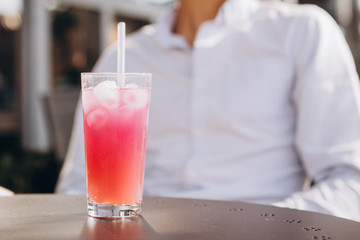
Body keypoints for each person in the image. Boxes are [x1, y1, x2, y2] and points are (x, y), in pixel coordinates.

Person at [56, 0, 360, 221]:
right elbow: (76, 190)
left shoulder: (302, 31)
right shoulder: (122, 59)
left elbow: (351, 184)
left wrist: (261, 224)